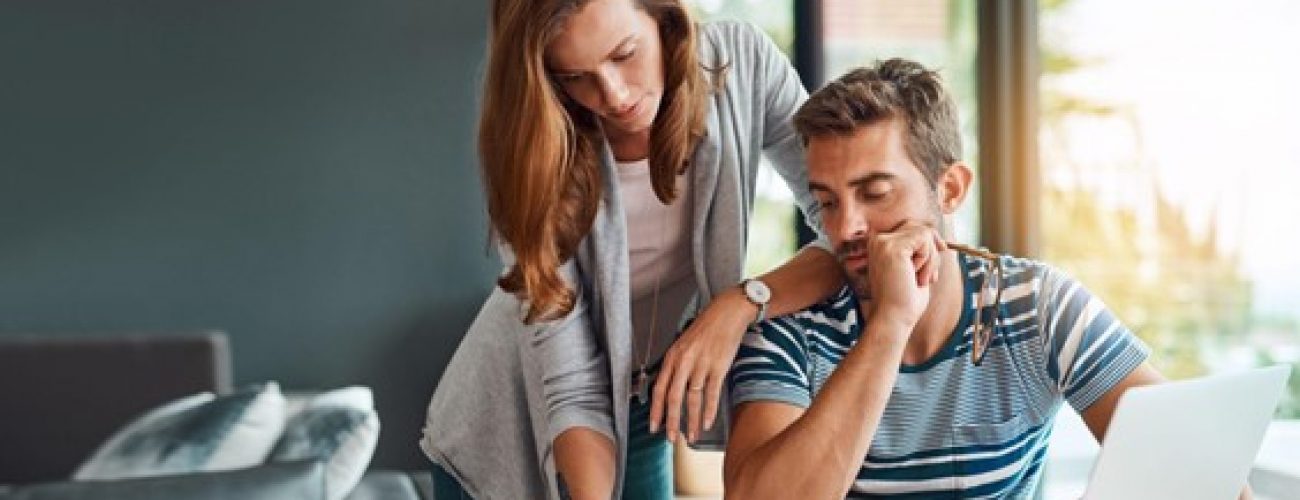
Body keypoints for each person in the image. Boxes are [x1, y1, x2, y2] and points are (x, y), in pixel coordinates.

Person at [722, 58, 1252, 499]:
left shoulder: (1036, 307)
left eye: (876, 193)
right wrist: (891, 323)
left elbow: (1200, 476)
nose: (844, 228)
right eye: (827, 202)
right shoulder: (787, 330)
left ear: (949, 190)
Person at [420, 0, 844, 498]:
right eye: (575, 76)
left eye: (624, 54)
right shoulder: (536, 155)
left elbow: (845, 224)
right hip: (504, 431)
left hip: (641, 407)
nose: (613, 96)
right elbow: (573, 388)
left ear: (663, 17)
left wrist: (744, 302)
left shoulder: (741, 63)